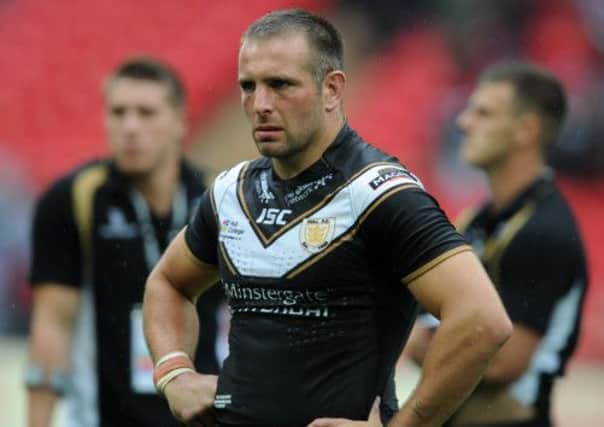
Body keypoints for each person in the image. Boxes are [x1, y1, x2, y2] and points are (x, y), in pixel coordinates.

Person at [142, 9, 512, 427]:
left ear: (332, 89)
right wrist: (174, 373)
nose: (260, 104)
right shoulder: (230, 191)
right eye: (249, 86)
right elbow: (168, 282)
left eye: (280, 85)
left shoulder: (379, 194)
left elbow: (482, 318)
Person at [27, 57, 223, 427]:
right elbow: (52, 326)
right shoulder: (74, 198)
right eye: (118, 112)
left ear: (181, 121)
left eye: (146, 113)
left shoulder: (216, 200)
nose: (130, 126)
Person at [405, 62, 588, 427]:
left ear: (526, 130)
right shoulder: (474, 220)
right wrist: (450, 342)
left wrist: (439, 343)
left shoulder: (545, 231)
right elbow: (422, 336)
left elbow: (504, 363)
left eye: (483, 112)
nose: (463, 123)